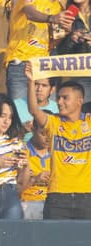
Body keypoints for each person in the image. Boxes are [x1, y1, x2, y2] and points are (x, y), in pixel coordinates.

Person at [26, 66, 91, 219]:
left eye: (65, 98)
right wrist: (30, 81)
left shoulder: (89, 121)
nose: (59, 102)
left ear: (79, 101)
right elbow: (34, 110)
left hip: (87, 196)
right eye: (58, 98)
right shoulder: (53, 122)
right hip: (57, 197)